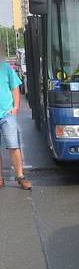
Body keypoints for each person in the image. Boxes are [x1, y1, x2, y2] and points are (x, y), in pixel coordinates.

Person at [0, 47, 31, 190]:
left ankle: (20, 177)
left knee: (13, 146)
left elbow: (15, 88)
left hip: (7, 114)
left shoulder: (5, 68)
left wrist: (16, 107)